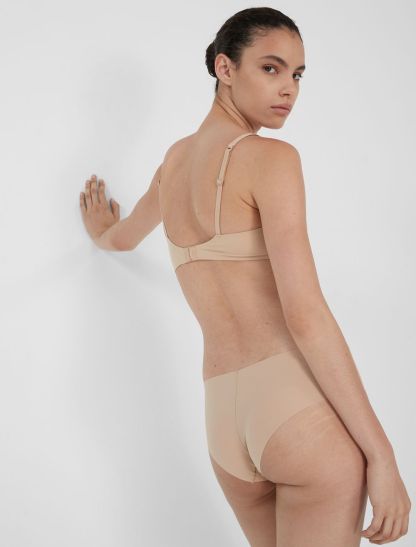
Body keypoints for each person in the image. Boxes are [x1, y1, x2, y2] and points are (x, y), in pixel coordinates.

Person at [79, 7, 411, 546]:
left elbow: (123, 237)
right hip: (296, 417)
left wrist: (101, 232)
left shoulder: (173, 164)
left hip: (224, 427)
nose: (289, 89)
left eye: (298, 74)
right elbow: (306, 316)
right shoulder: (271, 159)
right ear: (225, 68)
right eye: (271, 68)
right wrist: (383, 455)